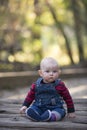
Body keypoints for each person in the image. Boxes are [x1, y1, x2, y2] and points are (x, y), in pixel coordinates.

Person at [20, 57, 75, 121]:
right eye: (47, 71)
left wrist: (71, 111)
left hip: (55, 108)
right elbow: (30, 96)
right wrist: (25, 105)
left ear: (59, 73)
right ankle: (35, 114)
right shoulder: (36, 85)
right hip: (39, 107)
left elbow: (67, 97)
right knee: (33, 109)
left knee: (60, 112)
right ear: (41, 73)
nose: (51, 74)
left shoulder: (60, 85)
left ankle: (51, 116)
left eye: (54, 71)